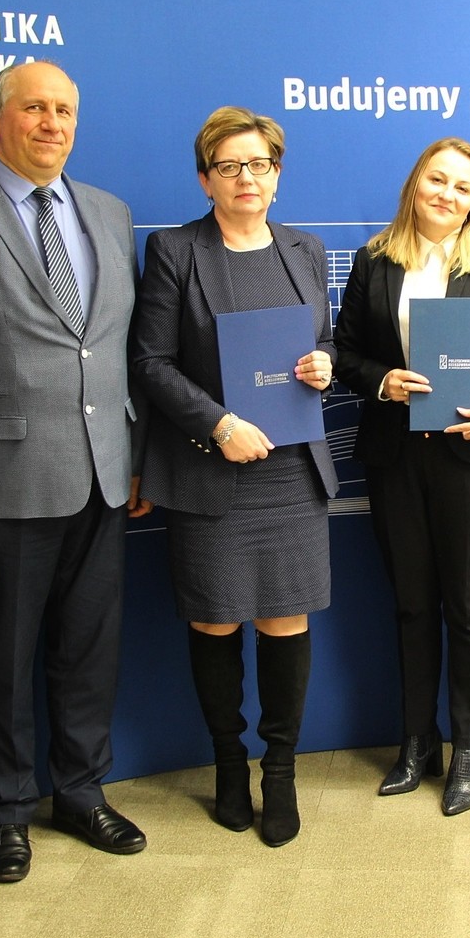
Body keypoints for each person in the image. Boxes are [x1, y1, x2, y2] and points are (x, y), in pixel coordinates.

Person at [0, 60, 149, 884]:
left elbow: (116, 351)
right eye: (35, 108)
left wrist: (136, 458)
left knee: (90, 652)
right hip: (1, 485)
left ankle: (81, 793)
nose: (52, 124)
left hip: (104, 475)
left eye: (65, 110)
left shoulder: (109, 212)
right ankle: (5, 814)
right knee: (3, 663)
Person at [133, 106, 336, 847]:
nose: (246, 178)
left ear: (276, 175)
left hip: (291, 474)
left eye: (259, 164)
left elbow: (323, 342)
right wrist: (218, 424)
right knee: (215, 619)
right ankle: (228, 763)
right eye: (229, 166)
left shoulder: (306, 249)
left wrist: (325, 364)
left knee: (286, 619)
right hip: (210, 471)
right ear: (205, 178)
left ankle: (279, 771)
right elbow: (151, 361)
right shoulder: (175, 250)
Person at [333, 139, 470, 816]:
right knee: (412, 605)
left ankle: (468, 751)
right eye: (437, 180)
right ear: (415, 185)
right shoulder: (374, 259)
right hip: (397, 456)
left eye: (462, 187)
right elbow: (345, 353)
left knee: (469, 609)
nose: (447, 195)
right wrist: (382, 380)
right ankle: (416, 742)